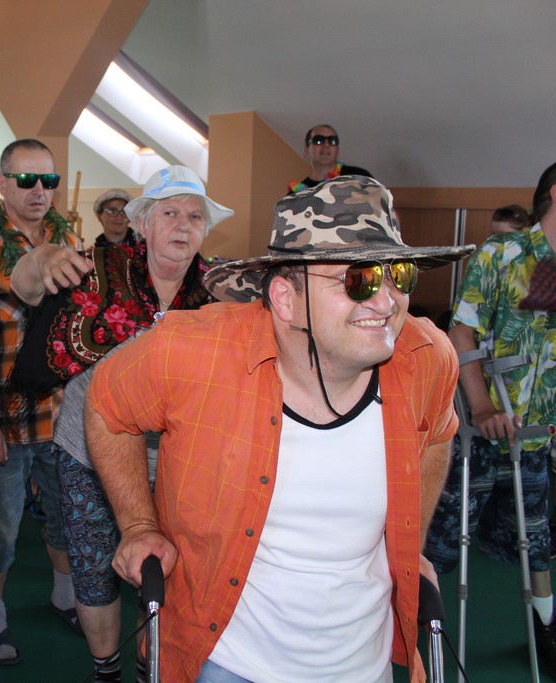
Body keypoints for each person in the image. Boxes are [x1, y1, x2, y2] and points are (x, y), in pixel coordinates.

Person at [85, 176, 473, 682]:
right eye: (358, 280)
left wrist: (408, 545)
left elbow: (438, 433)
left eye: (398, 275)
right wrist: (138, 525)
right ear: (286, 299)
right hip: (227, 660)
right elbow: (106, 407)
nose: (387, 302)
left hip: (365, 664)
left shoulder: (426, 359)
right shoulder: (191, 352)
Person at [9, 165, 233, 682]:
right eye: (170, 213)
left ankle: (146, 666)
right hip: (89, 450)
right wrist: (40, 258)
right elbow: (24, 285)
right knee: (94, 572)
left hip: (178, 457)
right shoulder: (95, 269)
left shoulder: (220, 292)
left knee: (165, 570)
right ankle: (106, 670)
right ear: (144, 223)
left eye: (195, 216)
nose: (183, 225)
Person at [0, 138, 82, 665]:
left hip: (60, 418)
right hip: (2, 419)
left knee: (66, 516)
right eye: (26, 180)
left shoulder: (68, 244)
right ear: (3, 184)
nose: (38, 190)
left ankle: (65, 598)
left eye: (48, 180)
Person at [424, 162, 556, 674]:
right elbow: (462, 332)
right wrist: (481, 406)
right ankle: (416, 622)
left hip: (537, 433)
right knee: (444, 540)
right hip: (482, 432)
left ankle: (546, 627)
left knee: (536, 540)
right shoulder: (503, 253)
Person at [288, 124, 373, 194]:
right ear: (306, 150)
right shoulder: (296, 195)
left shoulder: (360, 177)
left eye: (332, 141)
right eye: (318, 140)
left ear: (337, 150)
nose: (326, 145)